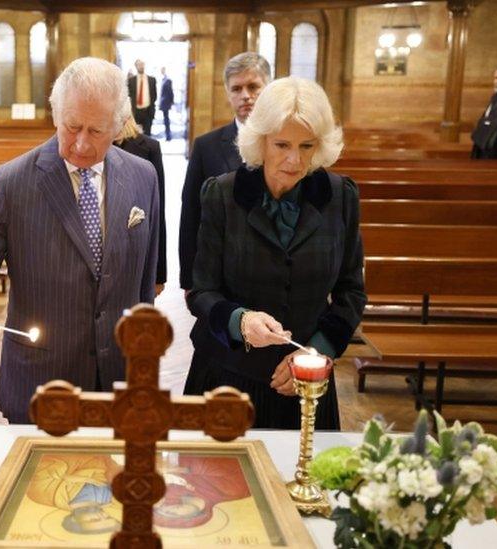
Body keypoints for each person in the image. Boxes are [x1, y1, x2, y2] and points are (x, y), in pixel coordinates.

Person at [0, 57, 159, 424]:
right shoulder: (12, 181)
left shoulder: (144, 176)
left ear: (119, 125)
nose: (81, 143)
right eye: (72, 126)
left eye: (96, 131)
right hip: (40, 382)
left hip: (119, 382)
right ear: (56, 115)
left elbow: (144, 283)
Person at [186, 77, 366, 430]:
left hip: (306, 381)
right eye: (282, 144)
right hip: (229, 376)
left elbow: (351, 292)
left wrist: (317, 351)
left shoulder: (340, 196)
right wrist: (241, 321)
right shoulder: (222, 195)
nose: (294, 160)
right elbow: (202, 292)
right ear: (260, 140)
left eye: (307, 145)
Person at [179, 52, 271, 395]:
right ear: (227, 93)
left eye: (253, 86)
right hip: (218, 274)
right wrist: (189, 280)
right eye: (237, 88)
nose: (245, 95)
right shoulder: (206, 146)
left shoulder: (281, 144)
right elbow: (190, 215)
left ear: (268, 87)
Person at [114, 114, 166, 290]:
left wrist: (159, 274)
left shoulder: (149, 147)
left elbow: (158, 213)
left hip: (137, 259)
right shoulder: (95, 148)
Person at [128, 59, 157, 136]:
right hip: (136, 112)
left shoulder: (152, 80)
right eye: (139, 65)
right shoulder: (131, 81)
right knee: (136, 135)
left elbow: (154, 96)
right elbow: (129, 96)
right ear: (136, 66)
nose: (141, 66)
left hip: (148, 112)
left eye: (142, 64)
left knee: (148, 135)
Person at [159, 67, 175, 141]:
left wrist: (171, 102)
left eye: (162, 70)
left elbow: (171, 92)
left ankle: (168, 135)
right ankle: (167, 135)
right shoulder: (163, 80)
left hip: (166, 103)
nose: (161, 71)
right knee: (165, 119)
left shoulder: (168, 80)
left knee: (166, 120)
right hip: (163, 103)